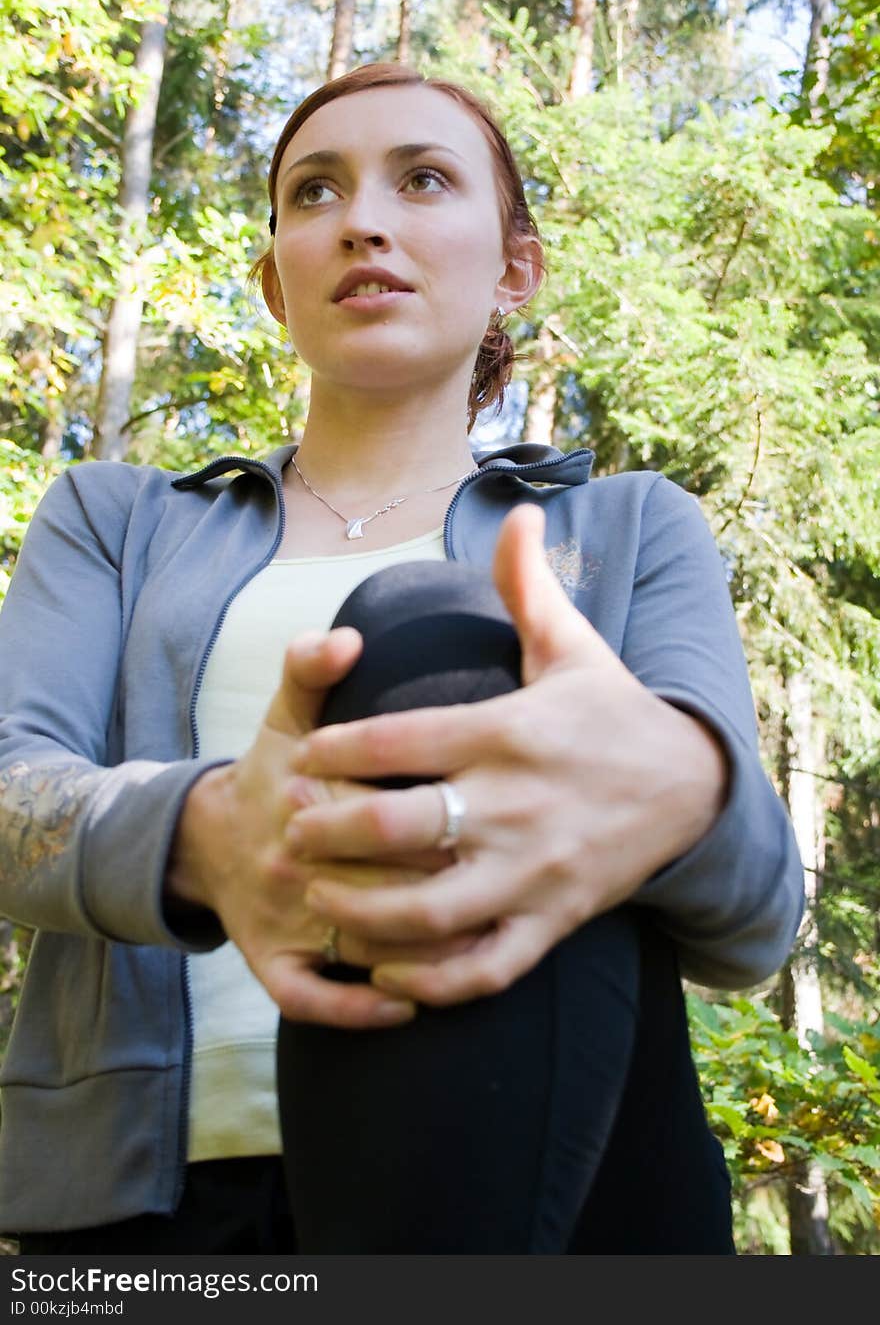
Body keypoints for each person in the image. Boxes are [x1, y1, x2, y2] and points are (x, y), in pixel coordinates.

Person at [0, 62, 804, 1255]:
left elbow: (754, 920)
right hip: (153, 1215)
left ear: (515, 268)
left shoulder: (631, 527)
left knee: (426, 620)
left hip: (562, 1177)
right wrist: (211, 833)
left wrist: (688, 782)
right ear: (277, 281)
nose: (363, 218)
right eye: (314, 192)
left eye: (423, 179)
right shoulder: (114, 519)